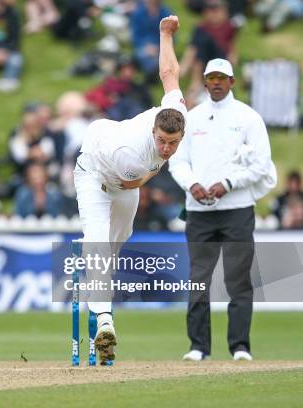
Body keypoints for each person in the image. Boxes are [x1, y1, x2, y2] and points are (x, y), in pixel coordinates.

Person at [73, 15, 187, 365]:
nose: (167, 149)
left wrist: (164, 34)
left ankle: (100, 295)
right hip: (95, 171)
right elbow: (136, 180)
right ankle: (104, 320)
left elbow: (169, 74)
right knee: (98, 242)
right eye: (163, 142)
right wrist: (154, 168)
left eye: (174, 143)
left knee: (119, 242)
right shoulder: (132, 156)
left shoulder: (176, 112)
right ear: (154, 133)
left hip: (124, 181)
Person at [169, 58, 276, 362]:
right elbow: (178, 161)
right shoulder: (192, 118)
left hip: (237, 209)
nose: (216, 82)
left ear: (232, 81)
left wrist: (228, 183)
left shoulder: (249, 117)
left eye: (222, 77)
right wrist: (192, 185)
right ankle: (198, 347)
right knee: (199, 278)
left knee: (238, 279)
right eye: (211, 77)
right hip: (199, 210)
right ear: (204, 82)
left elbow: (261, 165)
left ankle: (240, 346)